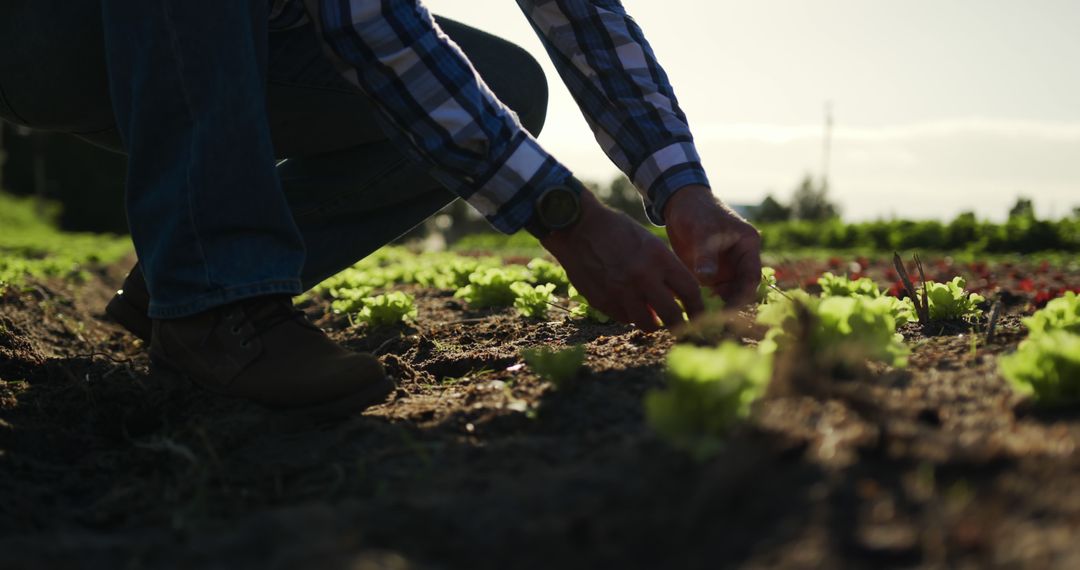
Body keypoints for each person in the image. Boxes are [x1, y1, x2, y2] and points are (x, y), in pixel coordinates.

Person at [0, 0, 761, 418]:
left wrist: (681, 186)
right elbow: (366, 20)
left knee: (508, 85)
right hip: (55, 33)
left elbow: (584, 18)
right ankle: (212, 298)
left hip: (239, 35)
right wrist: (565, 216)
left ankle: (176, 282)